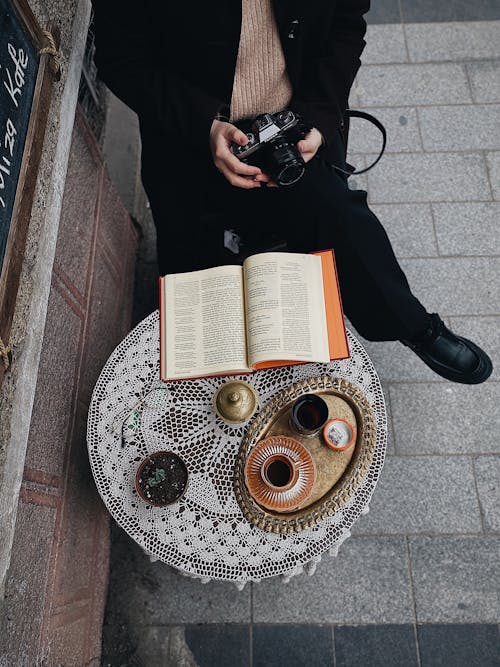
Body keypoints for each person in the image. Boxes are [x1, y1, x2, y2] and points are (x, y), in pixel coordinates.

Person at [91, 0, 492, 384]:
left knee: (340, 218)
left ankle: (414, 328)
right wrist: (204, 127)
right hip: (190, 133)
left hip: (294, 120)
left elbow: (347, 24)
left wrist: (318, 116)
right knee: (196, 273)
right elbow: (119, 60)